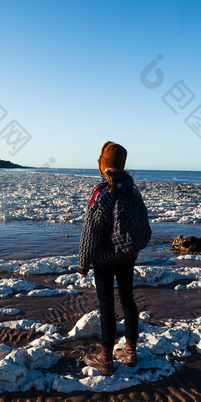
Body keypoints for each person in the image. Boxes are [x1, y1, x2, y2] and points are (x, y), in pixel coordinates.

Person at [74, 141, 152, 375]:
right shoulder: (132, 189)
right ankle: (130, 351)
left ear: (104, 164)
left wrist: (83, 263)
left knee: (107, 305)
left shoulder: (101, 192)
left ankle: (105, 358)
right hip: (128, 254)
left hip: (105, 259)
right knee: (128, 300)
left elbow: (91, 230)